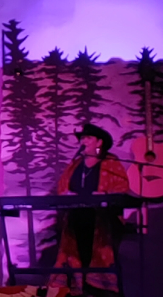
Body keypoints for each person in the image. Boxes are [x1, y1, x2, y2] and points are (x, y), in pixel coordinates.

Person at [49, 123, 129, 297]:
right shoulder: (75, 164)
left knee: (99, 254)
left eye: (88, 138)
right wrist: (67, 194)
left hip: (102, 220)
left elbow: (122, 187)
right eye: (82, 138)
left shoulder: (111, 163)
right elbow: (62, 186)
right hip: (76, 218)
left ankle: (99, 289)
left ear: (99, 142)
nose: (83, 141)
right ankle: (79, 288)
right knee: (75, 255)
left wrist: (104, 193)